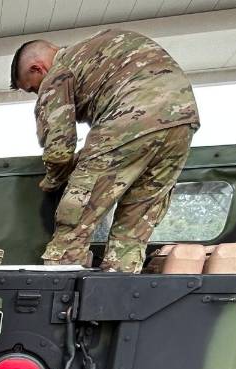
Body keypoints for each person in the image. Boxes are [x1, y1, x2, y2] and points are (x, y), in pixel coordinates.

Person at [10, 29, 200, 272]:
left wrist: (54, 180)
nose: (37, 93)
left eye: (32, 89)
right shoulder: (101, 45)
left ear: (38, 69)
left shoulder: (58, 72)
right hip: (181, 124)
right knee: (133, 229)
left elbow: (58, 149)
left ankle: (58, 297)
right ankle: (115, 293)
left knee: (72, 227)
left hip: (130, 119)